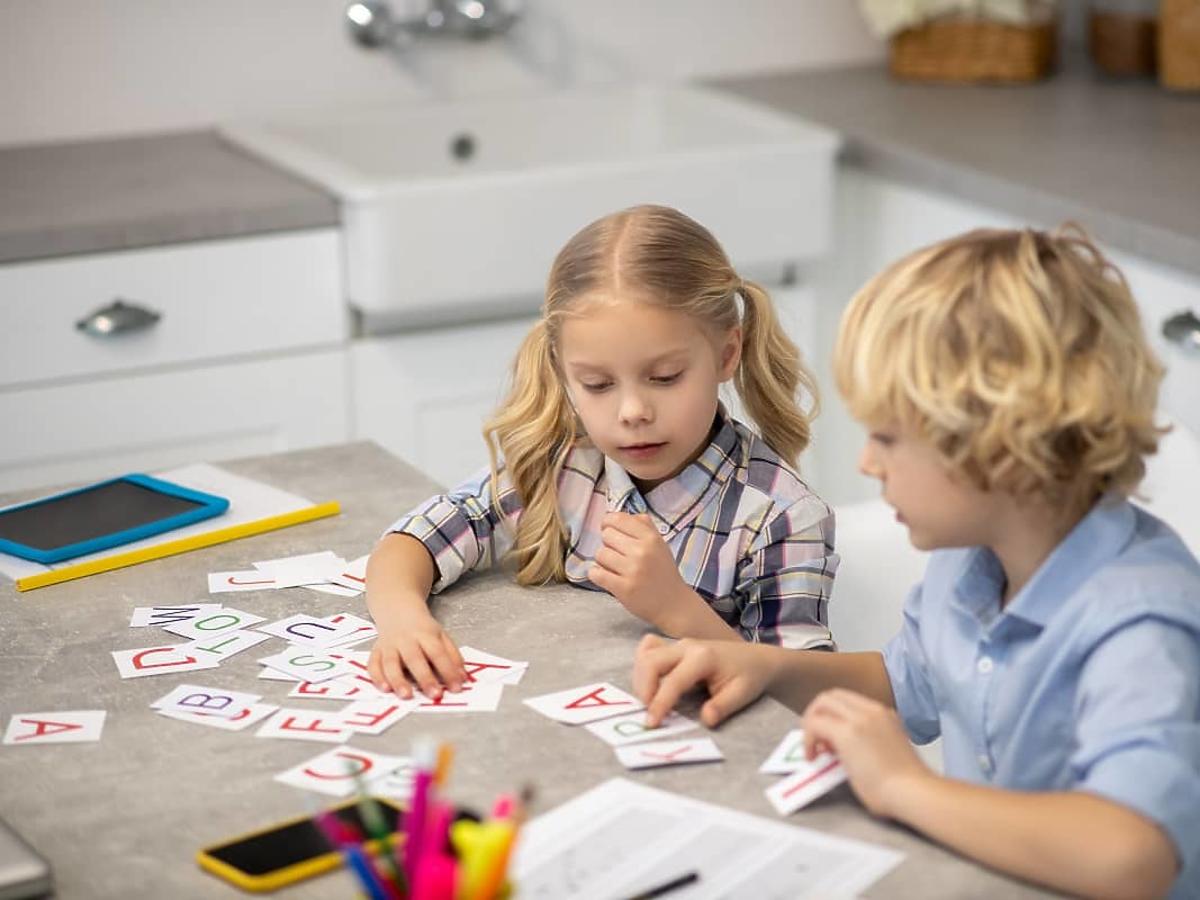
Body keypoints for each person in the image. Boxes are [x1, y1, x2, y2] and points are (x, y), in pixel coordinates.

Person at [633, 226, 1200, 899]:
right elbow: (906, 685)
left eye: (888, 438)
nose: (866, 463)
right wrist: (761, 665)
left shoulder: (1139, 622)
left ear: (1000, 446)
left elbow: (1130, 854)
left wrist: (905, 787)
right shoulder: (972, 563)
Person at [366, 204, 837, 701]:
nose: (633, 411)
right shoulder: (564, 467)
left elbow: (807, 701)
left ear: (726, 355)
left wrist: (677, 608)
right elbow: (412, 539)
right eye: (597, 384)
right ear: (564, 372)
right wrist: (403, 622)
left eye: (665, 377)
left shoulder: (782, 517)